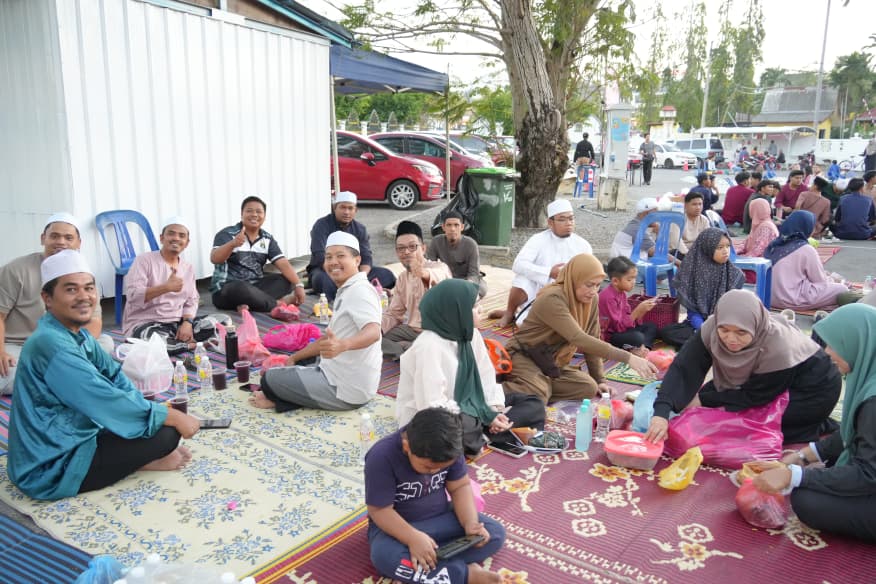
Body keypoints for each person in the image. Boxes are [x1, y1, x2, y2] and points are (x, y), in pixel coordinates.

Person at [7, 250, 200, 500]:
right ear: (47, 298)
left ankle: (135, 454)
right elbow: (100, 397)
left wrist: (149, 409)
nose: (84, 297)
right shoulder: (50, 343)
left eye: (89, 288)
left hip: (77, 427)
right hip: (51, 461)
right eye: (71, 290)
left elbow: (115, 376)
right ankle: (137, 463)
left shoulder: (77, 334)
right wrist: (168, 415)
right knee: (166, 433)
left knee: (149, 415)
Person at [644, 290, 841, 445]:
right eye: (724, 330)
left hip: (814, 389)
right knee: (704, 405)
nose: (731, 338)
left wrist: (703, 399)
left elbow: (755, 395)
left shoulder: (777, 346)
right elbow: (683, 369)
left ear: (755, 326)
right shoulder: (712, 327)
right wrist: (661, 412)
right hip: (764, 380)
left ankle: (815, 424)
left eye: (740, 332)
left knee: (747, 428)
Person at [752, 303, 876, 542]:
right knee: (826, 469)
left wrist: (795, 476)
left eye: (835, 344)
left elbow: (868, 474)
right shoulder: (868, 377)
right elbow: (853, 433)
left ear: (858, 343)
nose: (827, 351)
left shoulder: (873, 402)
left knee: (807, 500)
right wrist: (801, 457)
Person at [395, 279, 545, 455]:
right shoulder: (428, 346)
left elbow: (486, 377)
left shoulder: (470, 334)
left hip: (472, 405)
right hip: (436, 415)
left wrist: (492, 411)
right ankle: (486, 434)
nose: (480, 310)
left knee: (533, 403)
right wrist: (481, 417)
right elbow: (431, 404)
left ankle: (485, 434)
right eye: (474, 307)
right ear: (455, 311)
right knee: (455, 432)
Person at [365, 407, 506, 584]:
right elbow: (380, 511)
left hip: (440, 518)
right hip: (397, 529)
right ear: (407, 446)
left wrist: (470, 523)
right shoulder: (381, 456)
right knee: (384, 556)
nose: (435, 472)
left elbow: (460, 486)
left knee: (494, 533)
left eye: (441, 467)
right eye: (428, 468)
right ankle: (465, 575)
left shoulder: (449, 449)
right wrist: (413, 538)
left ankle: (432, 563)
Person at [250, 232, 382, 412]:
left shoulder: (360, 291)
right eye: (329, 257)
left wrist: (344, 345)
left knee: (269, 378)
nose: (333, 262)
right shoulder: (349, 288)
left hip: (345, 390)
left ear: (357, 260)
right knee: (300, 361)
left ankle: (280, 399)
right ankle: (287, 393)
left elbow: (374, 331)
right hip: (343, 378)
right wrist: (293, 358)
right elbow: (326, 342)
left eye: (340, 256)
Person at [502, 254, 658, 404]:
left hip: (551, 361)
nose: (593, 291)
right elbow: (579, 338)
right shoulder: (552, 298)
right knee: (537, 394)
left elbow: (593, 338)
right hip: (525, 355)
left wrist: (599, 379)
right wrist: (628, 358)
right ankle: (492, 391)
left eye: (597, 285)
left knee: (588, 388)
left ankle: (536, 385)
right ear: (574, 280)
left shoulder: (591, 299)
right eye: (589, 284)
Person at [0, 213, 109, 395]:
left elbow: (94, 322)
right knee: (7, 372)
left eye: (68, 237)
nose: (61, 242)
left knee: (106, 344)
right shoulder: (16, 270)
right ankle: (70, 379)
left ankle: (49, 380)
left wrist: (69, 351)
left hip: (65, 343)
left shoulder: (82, 273)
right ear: (43, 239)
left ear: (78, 243)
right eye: (54, 236)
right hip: (19, 345)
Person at [488, 199, 592, 328]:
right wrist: (549, 272)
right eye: (562, 219)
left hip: (566, 293)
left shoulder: (583, 245)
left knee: (531, 326)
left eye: (571, 219)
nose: (568, 223)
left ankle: (521, 315)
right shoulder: (538, 240)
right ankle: (510, 312)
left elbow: (589, 275)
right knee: (522, 279)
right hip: (537, 290)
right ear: (550, 223)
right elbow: (518, 265)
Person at [121, 217, 217, 355]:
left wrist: (187, 323)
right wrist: (165, 287)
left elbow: (192, 300)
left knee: (222, 322)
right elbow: (133, 296)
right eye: (171, 234)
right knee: (151, 341)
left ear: (186, 243)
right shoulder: (144, 260)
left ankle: (177, 343)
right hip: (147, 324)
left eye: (181, 236)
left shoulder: (187, 267)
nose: (176, 238)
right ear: (161, 238)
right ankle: (190, 346)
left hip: (176, 324)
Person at [209, 196, 305, 312]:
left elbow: (283, 263)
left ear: (264, 216)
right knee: (240, 288)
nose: (254, 214)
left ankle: (247, 304)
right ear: (242, 214)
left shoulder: (267, 238)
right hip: (226, 290)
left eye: (259, 212)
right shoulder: (227, 234)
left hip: (256, 288)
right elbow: (215, 259)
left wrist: (299, 285)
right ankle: (277, 304)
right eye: (249, 211)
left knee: (286, 279)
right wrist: (233, 244)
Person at [659, 228, 744, 347]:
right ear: (707, 249)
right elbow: (693, 311)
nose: (726, 251)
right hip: (699, 325)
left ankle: (707, 342)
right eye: (720, 248)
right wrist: (703, 329)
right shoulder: (693, 272)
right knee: (667, 332)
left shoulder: (733, 273)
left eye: (728, 246)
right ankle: (709, 341)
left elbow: (734, 309)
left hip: (725, 325)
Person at [306, 191, 395, 302]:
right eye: (342, 207)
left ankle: (355, 288)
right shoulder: (321, 225)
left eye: (350, 208)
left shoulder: (360, 229)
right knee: (324, 281)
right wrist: (340, 276)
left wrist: (359, 278)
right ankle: (355, 292)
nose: (346, 212)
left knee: (387, 275)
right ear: (334, 208)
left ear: (355, 210)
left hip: (353, 272)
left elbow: (366, 258)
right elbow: (320, 256)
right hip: (328, 271)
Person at [382, 221, 451, 359]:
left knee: (437, 347)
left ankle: (411, 350)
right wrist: (375, 328)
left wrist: (421, 273)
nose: (406, 252)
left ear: (423, 249)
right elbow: (394, 314)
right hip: (412, 330)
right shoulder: (402, 278)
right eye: (401, 248)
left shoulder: (440, 267)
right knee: (375, 340)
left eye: (412, 247)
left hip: (438, 332)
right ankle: (411, 349)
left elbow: (437, 276)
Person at [764, 211, 849, 312]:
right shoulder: (806, 249)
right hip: (792, 299)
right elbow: (820, 281)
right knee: (841, 289)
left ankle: (824, 305)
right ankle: (822, 305)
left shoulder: (774, 245)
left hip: (769, 298)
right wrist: (832, 280)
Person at [598, 257, 658, 357]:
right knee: (637, 337)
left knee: (651, 326)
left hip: (624, 330)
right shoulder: (608, 297)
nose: (634, 282)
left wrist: (642, 311)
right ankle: (637, 347)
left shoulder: (622, 293)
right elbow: (618, 328)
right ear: (615, 281)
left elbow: (630, 321)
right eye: (629, 279)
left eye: (635, 278)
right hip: (612, 336)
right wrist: (637, 310)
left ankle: (643, 348)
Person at [426, 211, 486, 298]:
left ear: (462, 227)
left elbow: (473, 273)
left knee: (482, 288)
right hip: (445, 280)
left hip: (464, 281)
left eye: (456, 225)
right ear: (443, 227)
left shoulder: (471, 244)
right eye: (449, 225)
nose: (452, 229)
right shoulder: (436, 241)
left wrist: (465, 285)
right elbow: (429, 266)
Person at [668, 191, 711, 261]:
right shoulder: (677, 219)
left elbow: (707, 239)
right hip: (679, 252)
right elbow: (676, 243)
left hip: (696, 252)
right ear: (685, 205)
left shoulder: (704, 220)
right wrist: (689, 255)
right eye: (694, 204)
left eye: (700, 204)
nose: (698, 207)